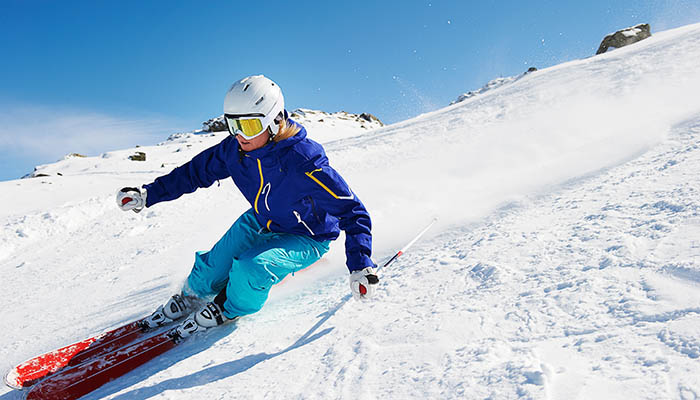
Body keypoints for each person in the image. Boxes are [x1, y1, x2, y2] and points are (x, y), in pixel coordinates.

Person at [116, 75, 378, 338]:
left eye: (250, 126)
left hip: (307, 236)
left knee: (250, 268)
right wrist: (148, 194)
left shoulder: (303, 160)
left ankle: (229, 308)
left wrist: (359, 264)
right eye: (233, 125)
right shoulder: (236, 150)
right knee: (209, 272)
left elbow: (351, 210)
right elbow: (194, 173)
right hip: (261, 220)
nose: (240, 135)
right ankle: (191, 298)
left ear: (275, 121)